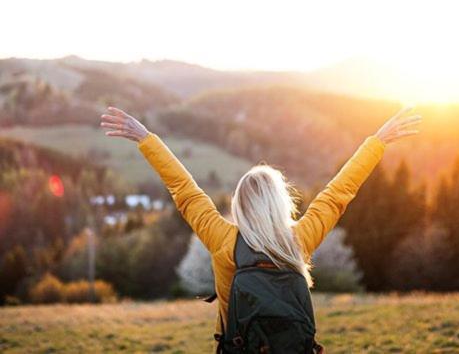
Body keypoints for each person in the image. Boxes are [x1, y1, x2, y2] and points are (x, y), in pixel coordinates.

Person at [100, 105, 421, 353]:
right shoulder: (298, 240)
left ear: (241, 205)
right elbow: (338, 194)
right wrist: (377, 142)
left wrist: (146, 139)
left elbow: (185, 191)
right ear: (280, 203)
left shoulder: (223, 240)